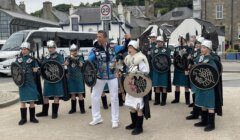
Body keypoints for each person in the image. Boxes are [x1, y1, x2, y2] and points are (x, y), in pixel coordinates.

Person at [88, 30, 128, 128]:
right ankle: (97, 117)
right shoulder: (94, 49)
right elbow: (89, 60)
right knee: (94, 96)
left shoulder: (113, 47)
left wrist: (127, 40)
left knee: (114, 98)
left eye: (100, 36)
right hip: (100, 76)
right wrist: (97, 51)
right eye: (97, 36)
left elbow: (124, 48)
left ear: (105, 38)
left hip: (112, 76)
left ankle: (115, 120)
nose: (98, 38)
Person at [193, 40, 222, 131]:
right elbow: (195, 65)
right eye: (201, 47)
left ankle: (211, 124)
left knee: (210, 105)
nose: (202, 49)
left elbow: (215, 73)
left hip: (209, 86)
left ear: (209, 49)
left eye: (204, 47)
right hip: (201, 85)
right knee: (203, 104)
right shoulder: (200, 58)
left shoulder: (212, 60)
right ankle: (204, 121)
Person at [124, 40, 151, 135]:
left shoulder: (140, 59)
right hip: (131, 86)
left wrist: (137, 74)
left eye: (131, 48)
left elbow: (146, 72)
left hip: (139, 87)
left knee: (139, 106)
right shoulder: (129, 59)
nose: (129, 49)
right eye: (128, 47)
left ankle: (139, 127)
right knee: (131, 105)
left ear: (135, 49)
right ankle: (134, 123)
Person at [36, 40, 64, 119]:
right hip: (48, 79)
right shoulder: (46, 57)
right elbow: (43, 67)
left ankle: (55, 113)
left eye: (51, 47)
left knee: (56, 95)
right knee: (45, 96)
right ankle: (44, 112)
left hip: (56, 79)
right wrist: (39, 62)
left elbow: (61, 66)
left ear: (55, 48)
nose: (50, 49)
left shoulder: (59, 56)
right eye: (48, 48)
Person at [16, 42, 40, 125]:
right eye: (22, 49)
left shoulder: (32, 59)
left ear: (28, 50)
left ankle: (32, 118)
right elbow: (15, 70)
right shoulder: (18, 59)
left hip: (31, 82)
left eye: (25, 49)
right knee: (22, 101)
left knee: (32, 101)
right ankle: (23, 119)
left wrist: (36, 69)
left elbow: (37, 67)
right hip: (22, 83)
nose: (23, 51)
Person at [186, 36, 205, 120]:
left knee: (198, 94)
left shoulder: (202, 53)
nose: (197, 45)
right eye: (196, 43)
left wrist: (193, 62)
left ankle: (198, 111)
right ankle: (196, 111)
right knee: (194, 92)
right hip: (193, 75)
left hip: (199, 76)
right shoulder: (195, 52)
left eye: (199, 44)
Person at [150, 36, 172, 106]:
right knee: (157, 85)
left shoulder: (167, 50)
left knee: (163, 85)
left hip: (164, 70)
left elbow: (168, 60)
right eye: (158, 42)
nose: (159, 43)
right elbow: (153, 60)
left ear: (163, 42)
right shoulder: (154, 50)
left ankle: (163, 101)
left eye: (160, 42)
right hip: (156, 70)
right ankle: (157, 100)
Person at [64, 44, 86, 114]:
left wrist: (74, 59)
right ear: (70, 51)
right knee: (72, 94)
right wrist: (68, 59)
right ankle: (73, 109)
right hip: (71, 78)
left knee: (80, 93)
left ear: (77, 50)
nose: (74, 52)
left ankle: (82, 109)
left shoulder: (80, 57)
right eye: (72, 50)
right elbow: (65, 64)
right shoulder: (67, 57)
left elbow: (81, 65)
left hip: (78, 77)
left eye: (75, 50)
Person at [172, 35, 192, 104]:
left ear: (184, 40)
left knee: (186, 85)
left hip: (185, 68)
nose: (181, 40)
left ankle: (187, 100)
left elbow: (189, 57)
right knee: (177, 84)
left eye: (182, 39)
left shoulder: (188, 48)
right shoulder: (176, 48)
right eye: (180, 39)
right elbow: (174, 57)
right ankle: (176, 99)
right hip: (177, 68)